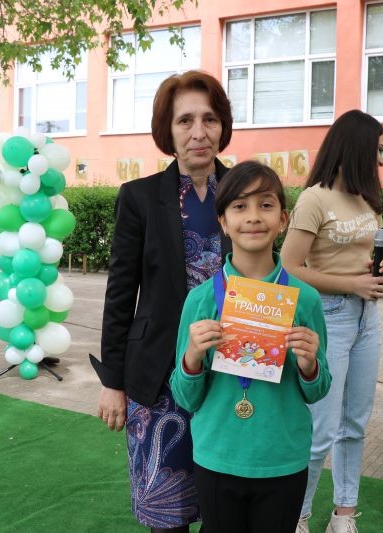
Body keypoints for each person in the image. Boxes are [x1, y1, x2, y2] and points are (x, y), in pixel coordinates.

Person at [89, 70, 234, 532]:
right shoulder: (140, 197)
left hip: (234, 374)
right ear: (167, 131)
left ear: (222, 126)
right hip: (160, 378)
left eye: (209, 119)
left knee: (226, 512)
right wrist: (113, 381)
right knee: (167, 516)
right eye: (185, 120)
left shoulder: (246, 192)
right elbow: (120, 293)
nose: (199, 132)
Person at [170, 160, 331, 533]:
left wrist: (310, 365)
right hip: (217, 455)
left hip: (283, 458)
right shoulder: (200, 299)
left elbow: (318, 390)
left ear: (283, 219)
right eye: (239, 206)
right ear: (223, 222)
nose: (254, 216)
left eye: (266, 204)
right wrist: (192, 357)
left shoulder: (304, 298)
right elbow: (185, 397)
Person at [280, 110, 383, 533]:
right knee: (321, 429)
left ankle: (344, 514)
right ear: (356, 147)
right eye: (378, 149)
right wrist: (351, 285)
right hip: (329, 317)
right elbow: (289, 268)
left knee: (354, 425)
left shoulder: (368, 198)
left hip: (368, 318)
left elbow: (366, 255)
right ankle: (298, 515)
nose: (382, 159)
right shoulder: (315, 199)